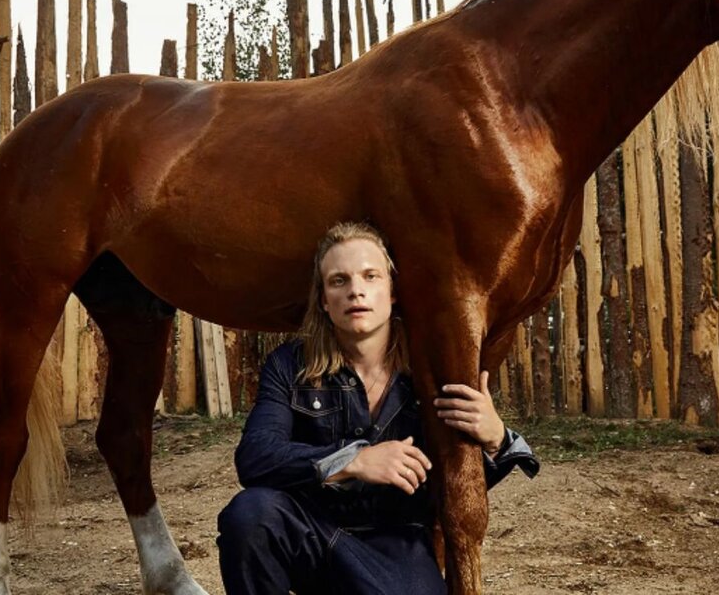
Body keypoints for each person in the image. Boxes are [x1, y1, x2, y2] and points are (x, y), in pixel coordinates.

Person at [217, 222, 538, 595]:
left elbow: (453, 479)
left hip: (394, 545)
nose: (356, 291)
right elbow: (255, 458)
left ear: (393, 291)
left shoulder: (430, 371)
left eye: (370, 277)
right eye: (339, 281)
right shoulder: (290, 365)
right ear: (323, 299)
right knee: (251, 515)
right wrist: (353, 461)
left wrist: (496, 439)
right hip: (309, 532)